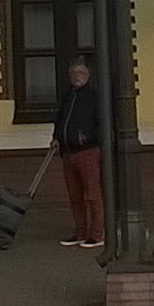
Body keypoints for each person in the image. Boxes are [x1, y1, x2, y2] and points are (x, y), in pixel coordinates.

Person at [51, 58, 105, 250]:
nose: (76, 76)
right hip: (68, 152)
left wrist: (88, 137)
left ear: (88, 75)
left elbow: (102, 123)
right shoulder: (67, 96)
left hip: (87, 151)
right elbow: (60, 120)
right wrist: (56, 138)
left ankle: (97, 234)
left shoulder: (95, 97)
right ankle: (80, 232)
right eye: (73, 73)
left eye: (80, 73)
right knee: (75, 197)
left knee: (93, 195)